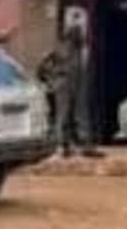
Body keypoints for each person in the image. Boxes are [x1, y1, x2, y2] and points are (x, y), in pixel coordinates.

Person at [38, 24, 102, 159]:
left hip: (79, 85)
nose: (80, 37)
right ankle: (61, 145)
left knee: (82, 115)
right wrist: (51, 81)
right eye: (77, 34)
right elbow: (42, 66)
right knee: (63, 116)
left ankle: (85, 145)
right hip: (63, 86)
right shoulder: (60, 48)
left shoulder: (81, 50)